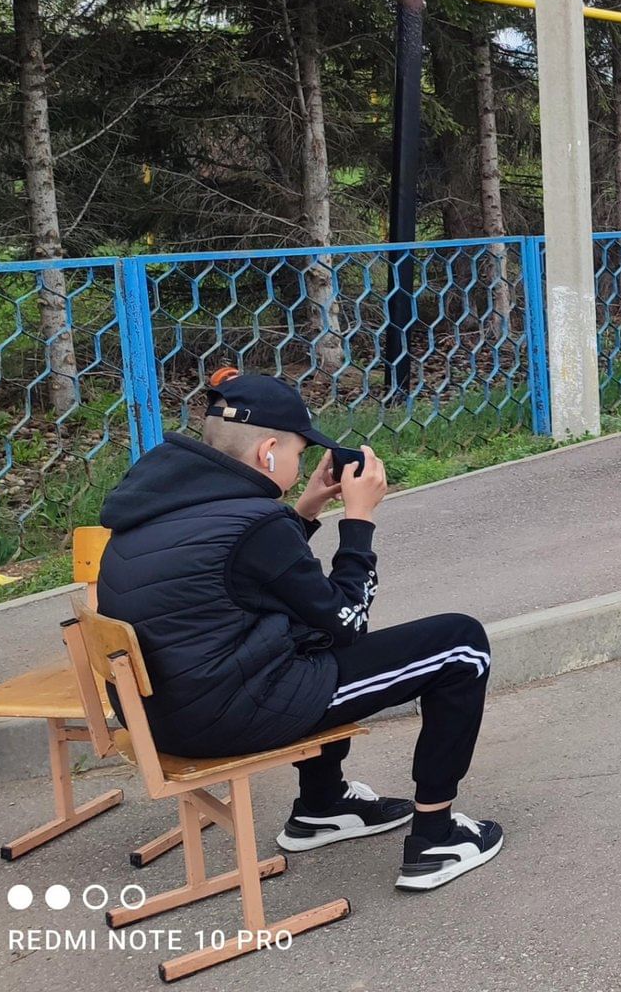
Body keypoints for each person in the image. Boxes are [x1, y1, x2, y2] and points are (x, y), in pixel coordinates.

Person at [96, 369, 503, 892]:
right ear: (267, 452)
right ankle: (435, 837)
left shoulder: (158, 503)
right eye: (297, 453)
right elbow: (348, 619)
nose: (301, 463)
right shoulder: (255, 524)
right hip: (225, 717)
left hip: (160, 718)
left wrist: (305, 508)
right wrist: (359, 520)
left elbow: (253, 575)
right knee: (461, 645)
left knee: (306, 633)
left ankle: (322, 805)